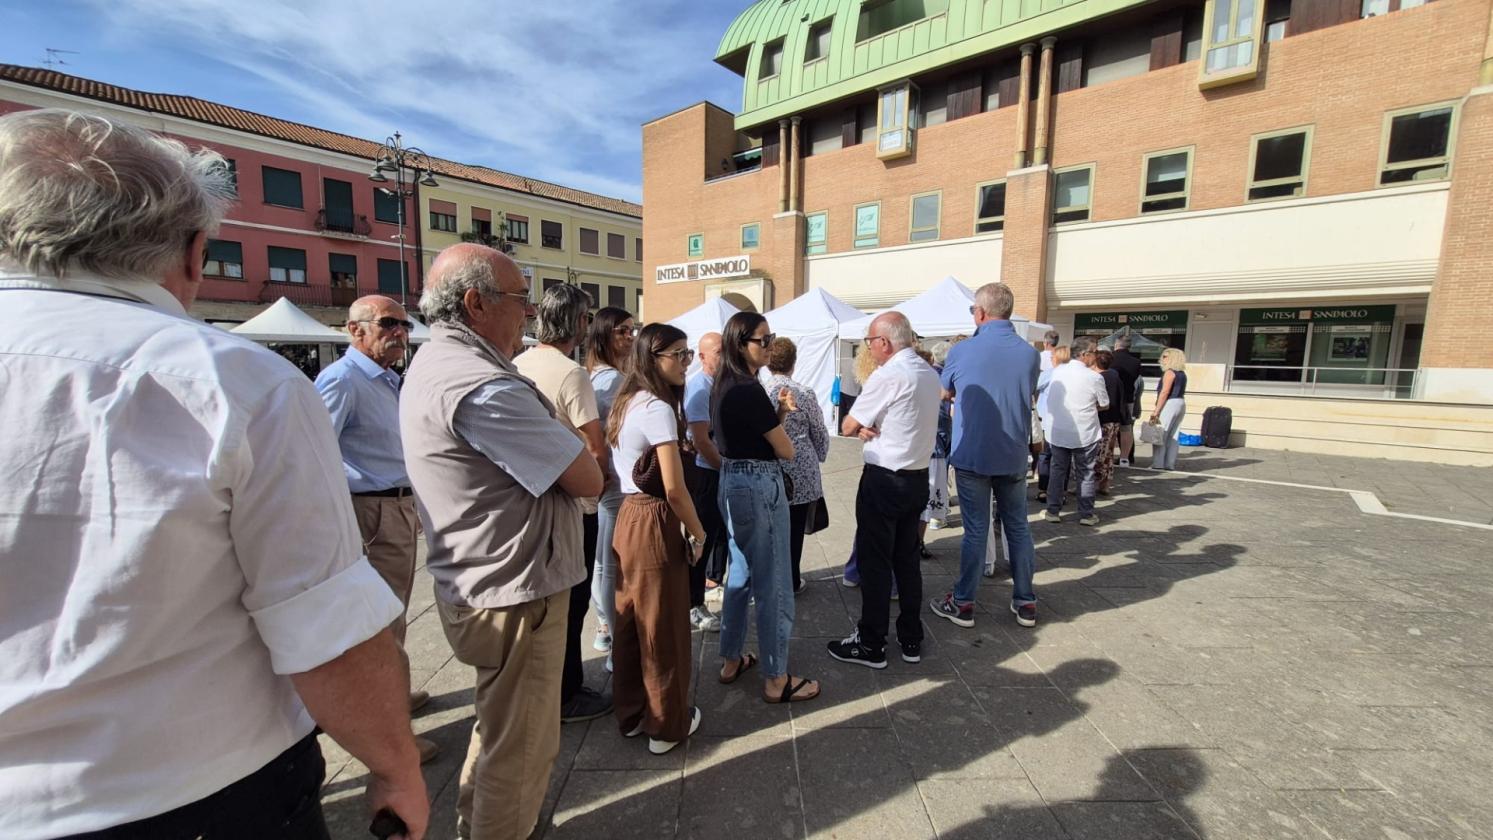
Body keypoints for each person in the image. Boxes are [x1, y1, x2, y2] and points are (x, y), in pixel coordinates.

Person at [0, 110, 428, 839]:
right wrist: (395, 767)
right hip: (200, 786)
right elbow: (322, 620)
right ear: (195, 252)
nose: (397, 334)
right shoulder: (236, 381)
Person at [401, 243, 603, 840]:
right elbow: (588, 475)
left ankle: (480, 823)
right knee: (523, 747)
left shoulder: (440, 362)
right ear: (476, 303)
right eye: (521, 299)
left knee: (502, 730)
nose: (530, 313)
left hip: (488, 580)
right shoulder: (483, 385)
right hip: (515, 593)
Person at [316, 294, 440, 765]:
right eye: (389, 323)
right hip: (371, 511)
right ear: (355, 329)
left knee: (394, 616)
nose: (400, 333)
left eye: (405, 324)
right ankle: (391, 736)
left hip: (394, 506)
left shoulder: (385, 379)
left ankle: (396, 700)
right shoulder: (343, 380)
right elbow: (316, 453)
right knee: (380, 625)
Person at [514, 284, 615, 725]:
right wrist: (600, 486)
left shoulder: (519, 363)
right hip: (574, 502)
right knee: (572, 604)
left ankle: (545, 687)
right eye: (587, 317)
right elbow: (594, 444)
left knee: (545, 604)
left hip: (531, 497)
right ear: (577, 322)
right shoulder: (572, 373)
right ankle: (566, 693)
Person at [607, 323, 706, 754]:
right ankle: (666, 725)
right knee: (663, 624)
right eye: (678, 355)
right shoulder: (657, 408)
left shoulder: (627, 400)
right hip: (653, 517)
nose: (686, 363)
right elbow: (674, 488)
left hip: (629, 515)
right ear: (653, 358)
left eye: (688, 354)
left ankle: (632, 714)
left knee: (631, 619)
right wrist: (699, 533)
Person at [713, 311, 821, 703]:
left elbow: (750, 436)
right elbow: (785, 450)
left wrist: (780, 414)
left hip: (733, 479)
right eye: (763, 339)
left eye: (771, 338)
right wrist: (782, 426)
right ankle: (777, 678)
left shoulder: (724, 383)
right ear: (741, 344)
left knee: (740, 572)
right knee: (774, 582)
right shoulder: (747, 388)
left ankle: (731, 658)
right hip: (758, 484)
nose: (770, 345)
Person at [830, 312, 941, 668]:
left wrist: (860, 426)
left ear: (884, 343)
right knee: (907, 560)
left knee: (875, 562)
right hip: (916, 476)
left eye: (869, 342)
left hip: (885, 478)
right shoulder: (928, 372)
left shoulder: (888, 374)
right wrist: (869, 426)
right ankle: (911, 638)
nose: (868, 349)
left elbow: (848, 425)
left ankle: (871, 642)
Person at [927, 283, 1042, 630]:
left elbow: (944, 392)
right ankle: (1025, 601)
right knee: (1018, 527)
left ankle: (963, 602)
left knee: (976, 530)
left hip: (973, 452)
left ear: (980, 313)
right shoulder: (1029, 353)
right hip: (1012, 453)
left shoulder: (962, 351)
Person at [584, 306, 636, 658]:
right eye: (622, 331)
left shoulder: (598, 376)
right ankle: (613, 635)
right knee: (609, 560)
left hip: (606, 476)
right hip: (614, 477)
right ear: (604, 335)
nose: (630, 337)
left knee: (604, 558)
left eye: (632, 330)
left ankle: (605, 627)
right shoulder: (613, 381)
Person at [763, 337, 830, 593]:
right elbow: (819, 429)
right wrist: (820, 455)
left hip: (771, 465)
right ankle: (790, 579)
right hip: (800, 464)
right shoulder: (803, 393)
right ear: (794, 361)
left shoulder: (761, 391)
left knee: (770, 526)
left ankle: (771, 578)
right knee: (794, 526)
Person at [683, 332, 726, 631]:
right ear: (702, 356)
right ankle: (692, 603)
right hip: (706, 473)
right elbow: (700, 440)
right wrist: (726, 468)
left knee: (716, 534)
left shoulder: (718, 384)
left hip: (715, 470)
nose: (725, 357)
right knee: (701, 539)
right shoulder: (700, 388)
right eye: (719, 352)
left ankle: (709, 585)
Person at [1044, 337, 1109, 527]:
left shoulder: (1056, 372)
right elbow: (1104, 403)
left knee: (1058, 471)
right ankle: (1086, 514)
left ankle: (1053, 510)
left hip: (1058, 430)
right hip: (1084, 431)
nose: (1096, 356)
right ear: (1084, 354)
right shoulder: (1094, 377)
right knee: (1085, 472)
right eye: (1094, 352)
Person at [1034, 344, 1069, 503]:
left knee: (1046, 456)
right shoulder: (1073, 374)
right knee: (1064, 458)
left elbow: (1035, 386)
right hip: (1065, 420)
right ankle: (1061, 491)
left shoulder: (1050, 373)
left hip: (1047, 419)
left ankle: (1043, 489)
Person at [1150, 348, 1190, 470]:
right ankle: (1169, 463)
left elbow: (1165, 392)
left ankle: (1158, 463)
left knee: (1161, 433)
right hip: (1180, 402)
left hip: (1170, 402)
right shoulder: (1182, 374)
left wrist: (1156, 411)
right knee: (1174, 435)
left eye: (1165, 356)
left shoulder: (1169, 373)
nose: (1162, 359)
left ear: (1172, 358)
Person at [1091, 348, 1124, 495]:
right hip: (1114, 420)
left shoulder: (1099, 378)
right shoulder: (1116, 376)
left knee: (1098, 454)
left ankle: (1090, 485)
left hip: (1103, 420)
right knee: (1109, 454)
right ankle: (1105, 484)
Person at [1110, 334, 1143, 467]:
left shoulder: (1110, 358)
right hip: (1128, 399)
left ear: (1116, 345)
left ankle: (1108, 455)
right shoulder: (1136, 362)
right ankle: (1126, 457)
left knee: (1110, 428)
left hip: (1111, 398)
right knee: (1126, 428)